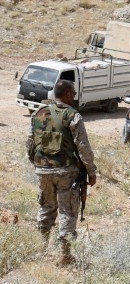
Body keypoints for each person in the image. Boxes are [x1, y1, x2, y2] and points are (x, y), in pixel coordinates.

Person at [26, 80, 97, 266]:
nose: (74, 96)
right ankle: (65, 256)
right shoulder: (73, 116)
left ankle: (41, 249)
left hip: (43, 171)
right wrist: (91, 171)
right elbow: (83, 147)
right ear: (66, 94)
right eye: (72, 93)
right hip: (67, 172)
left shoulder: (38, 113)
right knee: (67, 211)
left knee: (46, 209)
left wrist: (38, 165)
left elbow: (30, 144)